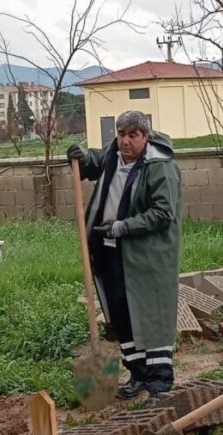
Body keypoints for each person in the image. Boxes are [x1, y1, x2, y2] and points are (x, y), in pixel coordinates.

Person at [67, 111, 183, 405]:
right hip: (109, 250)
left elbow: (162, 213)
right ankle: (138, 375)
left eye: (133, 135)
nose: (125, 141)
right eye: (121, 134)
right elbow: (93, 164)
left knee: (151, 315)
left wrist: (122, 227)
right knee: (122, 316)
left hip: (147, 256)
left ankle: (159, 383)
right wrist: (80, 156)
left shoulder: (159, 167)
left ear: (146, 137)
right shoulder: (113, 155)